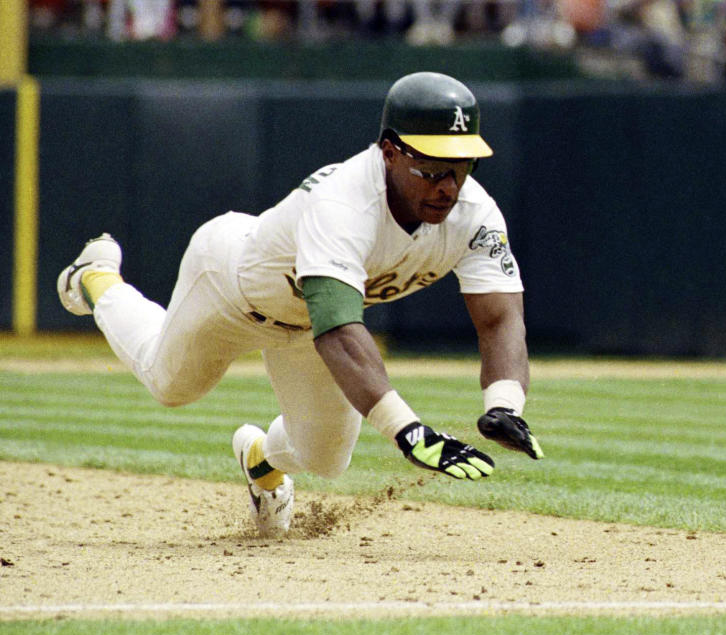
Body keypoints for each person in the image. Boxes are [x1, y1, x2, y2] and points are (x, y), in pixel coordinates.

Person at [56, 71, 544, 537]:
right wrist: (409, 432)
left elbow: (500, 317)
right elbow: (337, 328)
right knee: (170, 386)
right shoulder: (344, 203)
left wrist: (505, 405)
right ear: (390, 153)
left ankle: (260, 460)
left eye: (462, 167)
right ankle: (97, 278)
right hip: (231, 288)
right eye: (433, 169)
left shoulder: (474, 214)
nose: (449, 186)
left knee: (326, 459)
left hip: (310, 321)